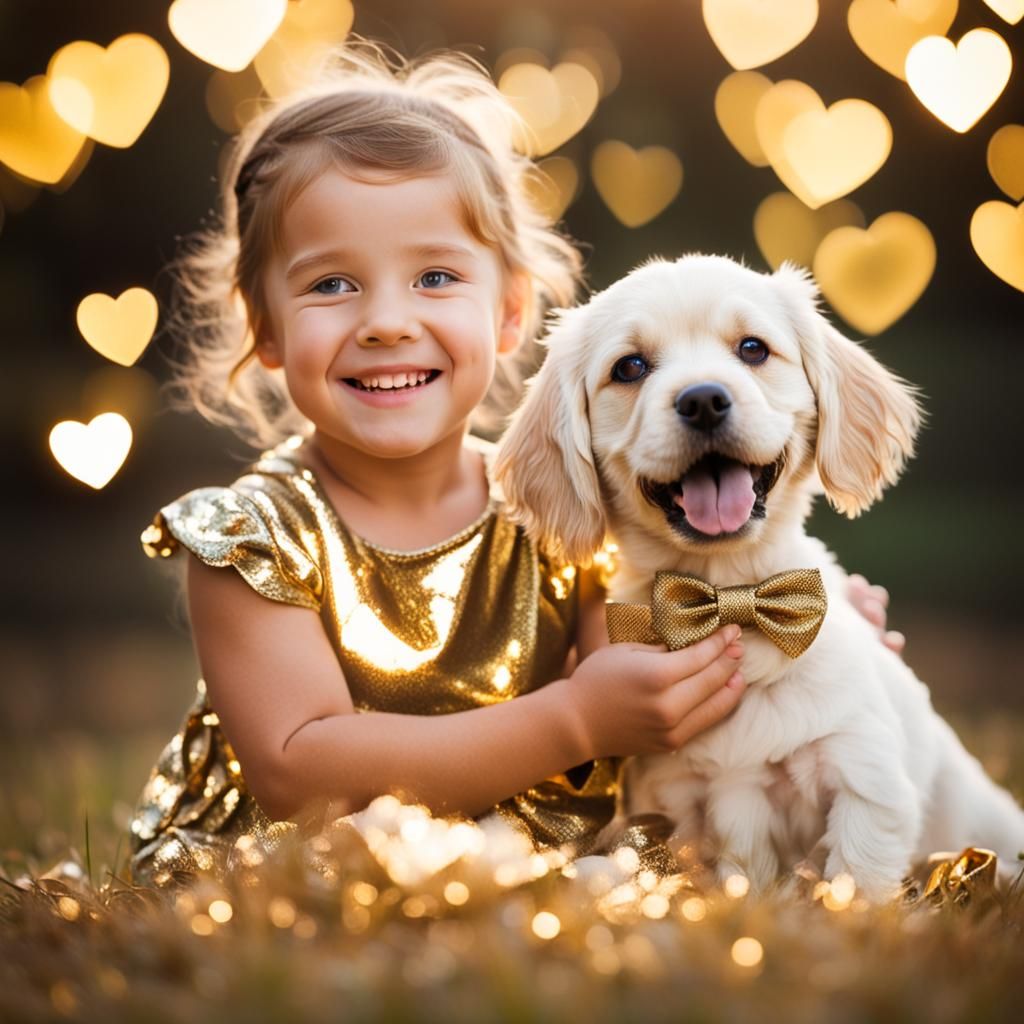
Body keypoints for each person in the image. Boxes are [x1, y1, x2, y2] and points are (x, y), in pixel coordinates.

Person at [127, 42, 902, 888]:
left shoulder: (566, 503)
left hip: (514, 859)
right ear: (265, 328)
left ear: (508, 313)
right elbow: (296, 767)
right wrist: (570, 721)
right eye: (331, 286)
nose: (387, 321)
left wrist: (805, 644)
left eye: (434, 276)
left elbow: (658, 672)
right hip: (287, 868)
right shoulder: (250, 537)